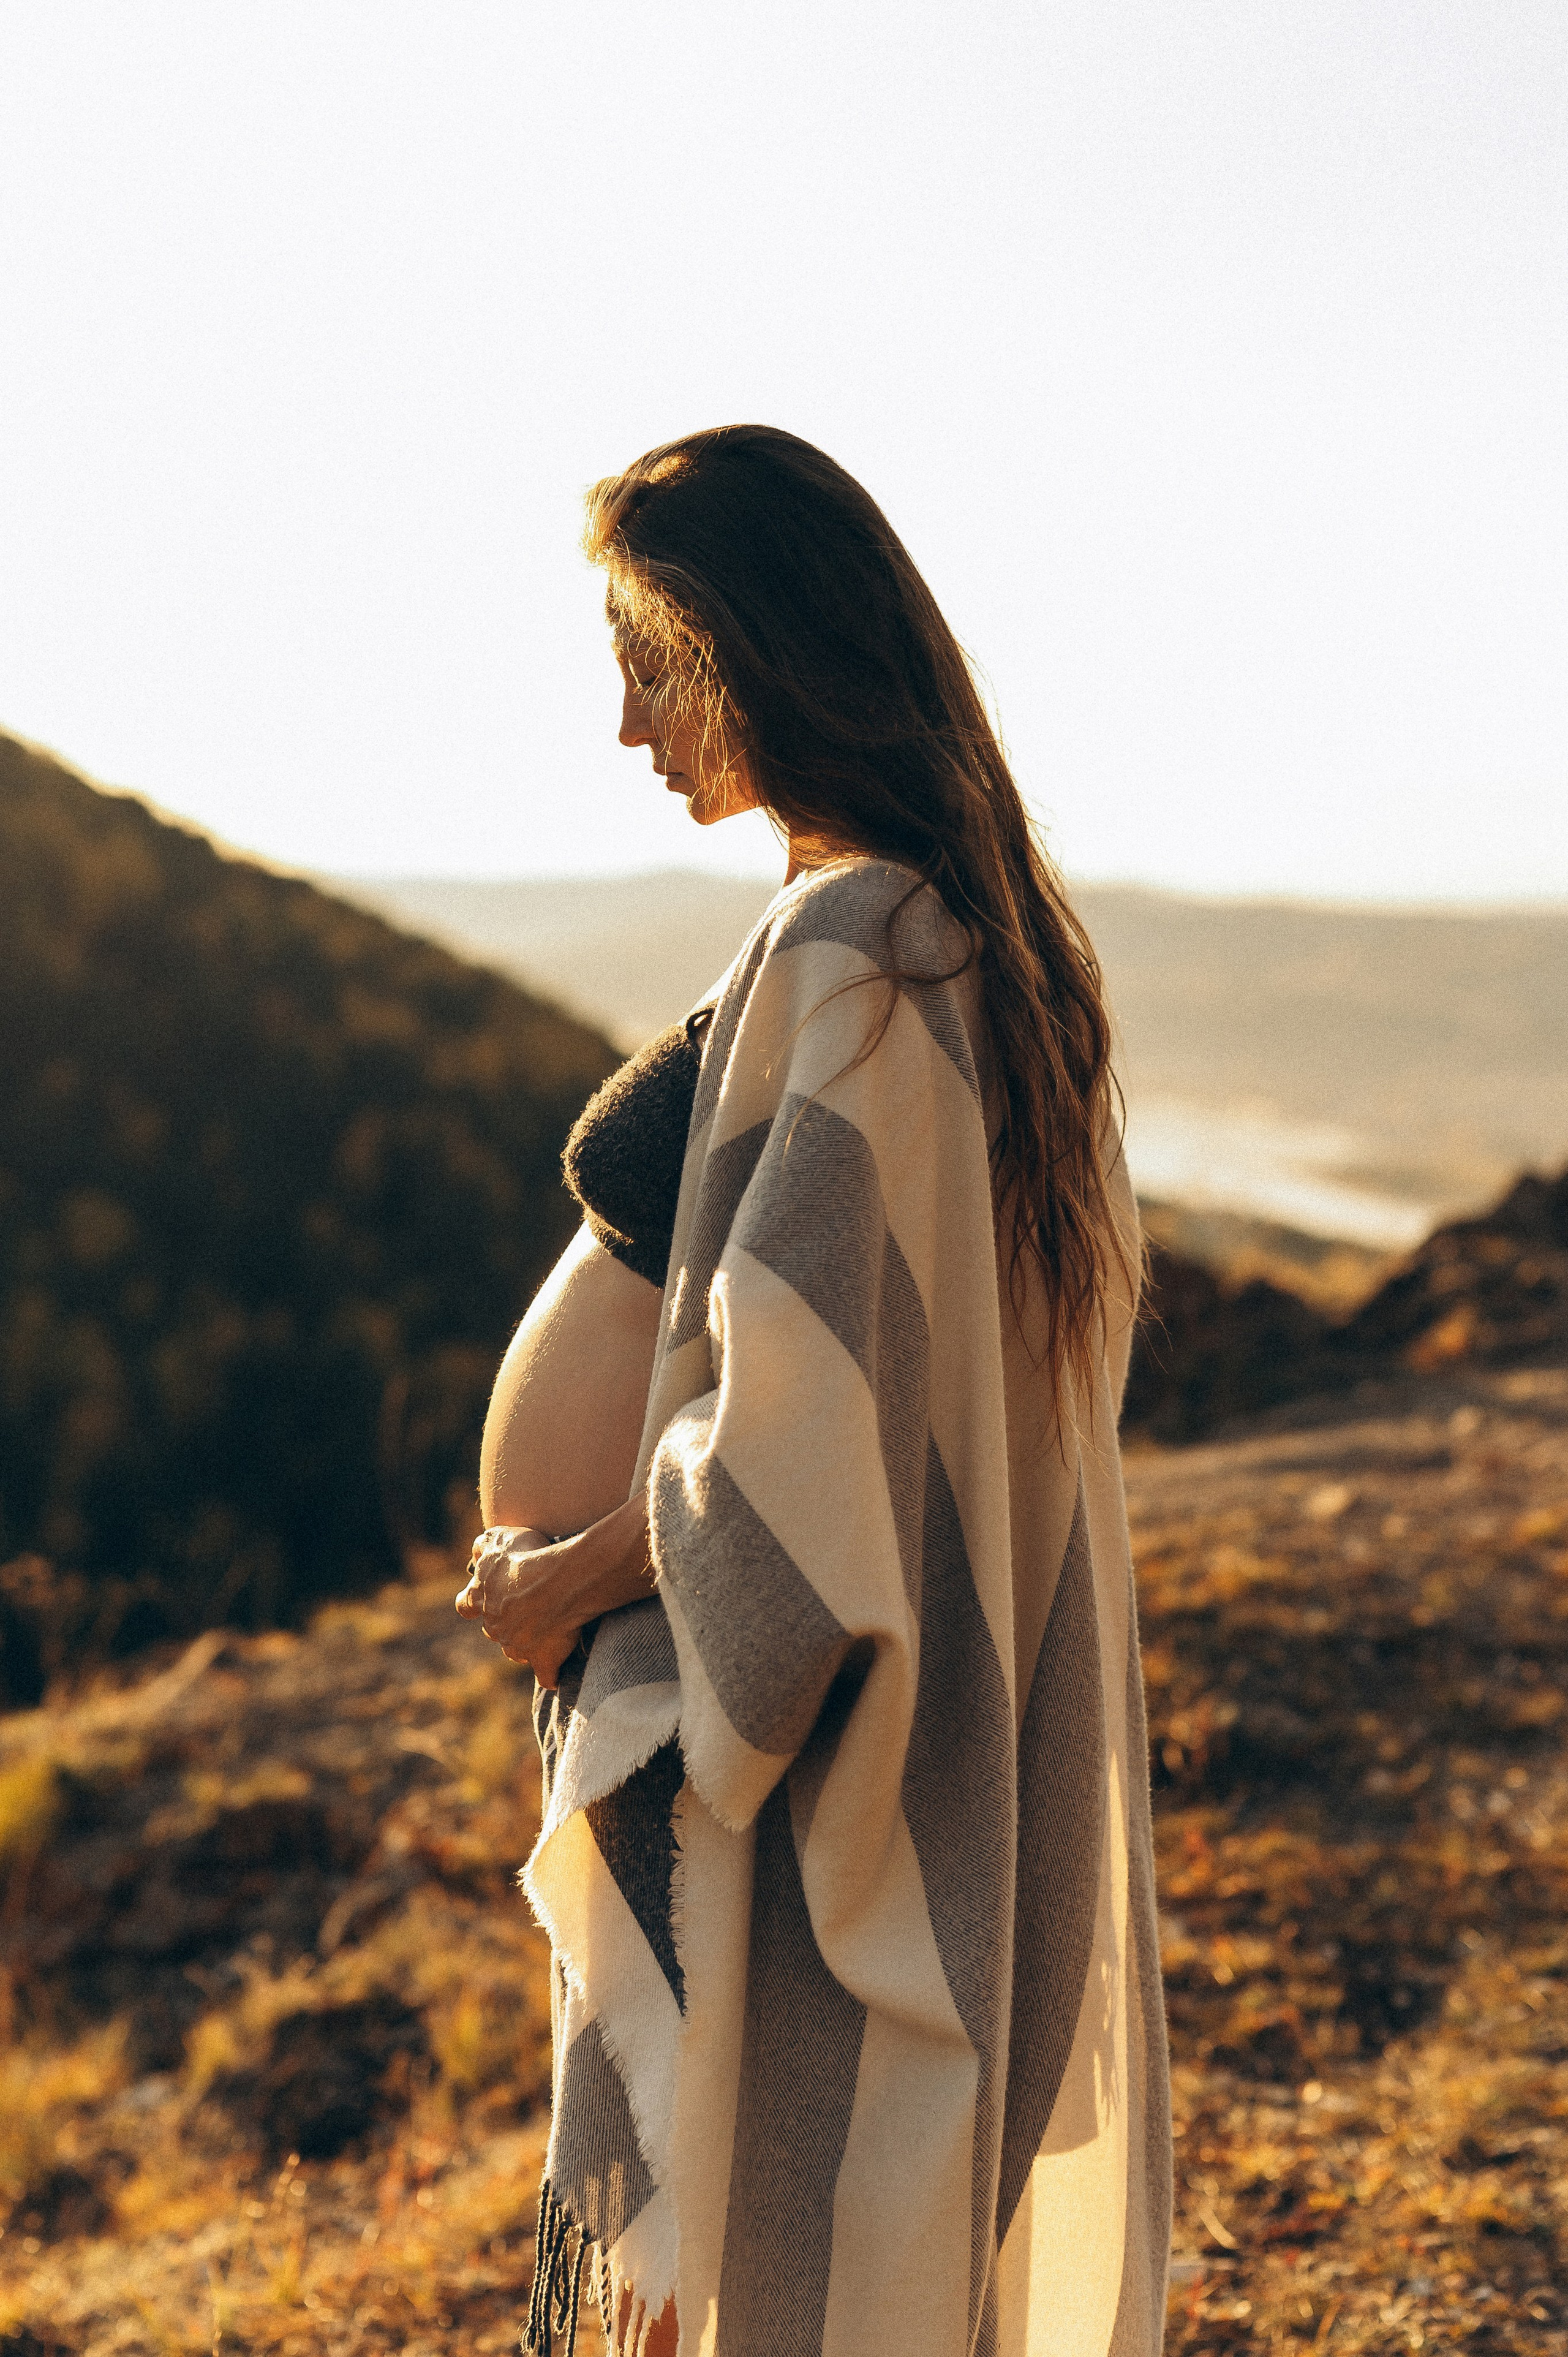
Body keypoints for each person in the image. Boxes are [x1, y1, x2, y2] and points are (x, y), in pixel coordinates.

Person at [457, 426, 1171, 2357]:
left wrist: (577, 1575)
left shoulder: (856, 953)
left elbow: (806, 1460)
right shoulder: (964, 941)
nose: (629, 724)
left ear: (759, 649)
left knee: (773, 2250)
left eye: (653, 663)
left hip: (760, 1736)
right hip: (712, 1701)